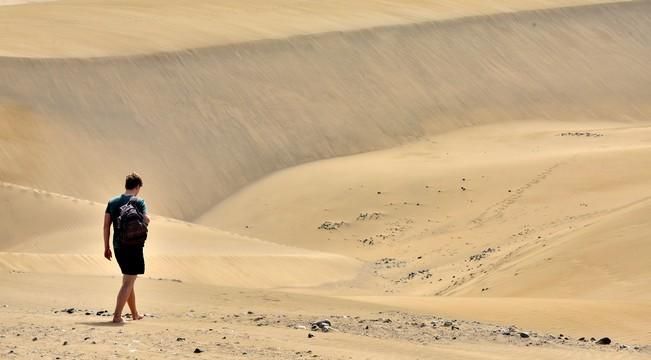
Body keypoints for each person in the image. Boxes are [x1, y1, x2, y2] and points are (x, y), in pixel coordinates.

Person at [103, 173, 150, 324]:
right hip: (134, 246)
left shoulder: (113, 201)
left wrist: (106, 247)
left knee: (128, 280)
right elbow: (146, 219)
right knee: (128, 281)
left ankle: (135, 314)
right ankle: (117, 316)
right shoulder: (139, 201)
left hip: (118, 246)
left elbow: (106, 225)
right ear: (137, 187)